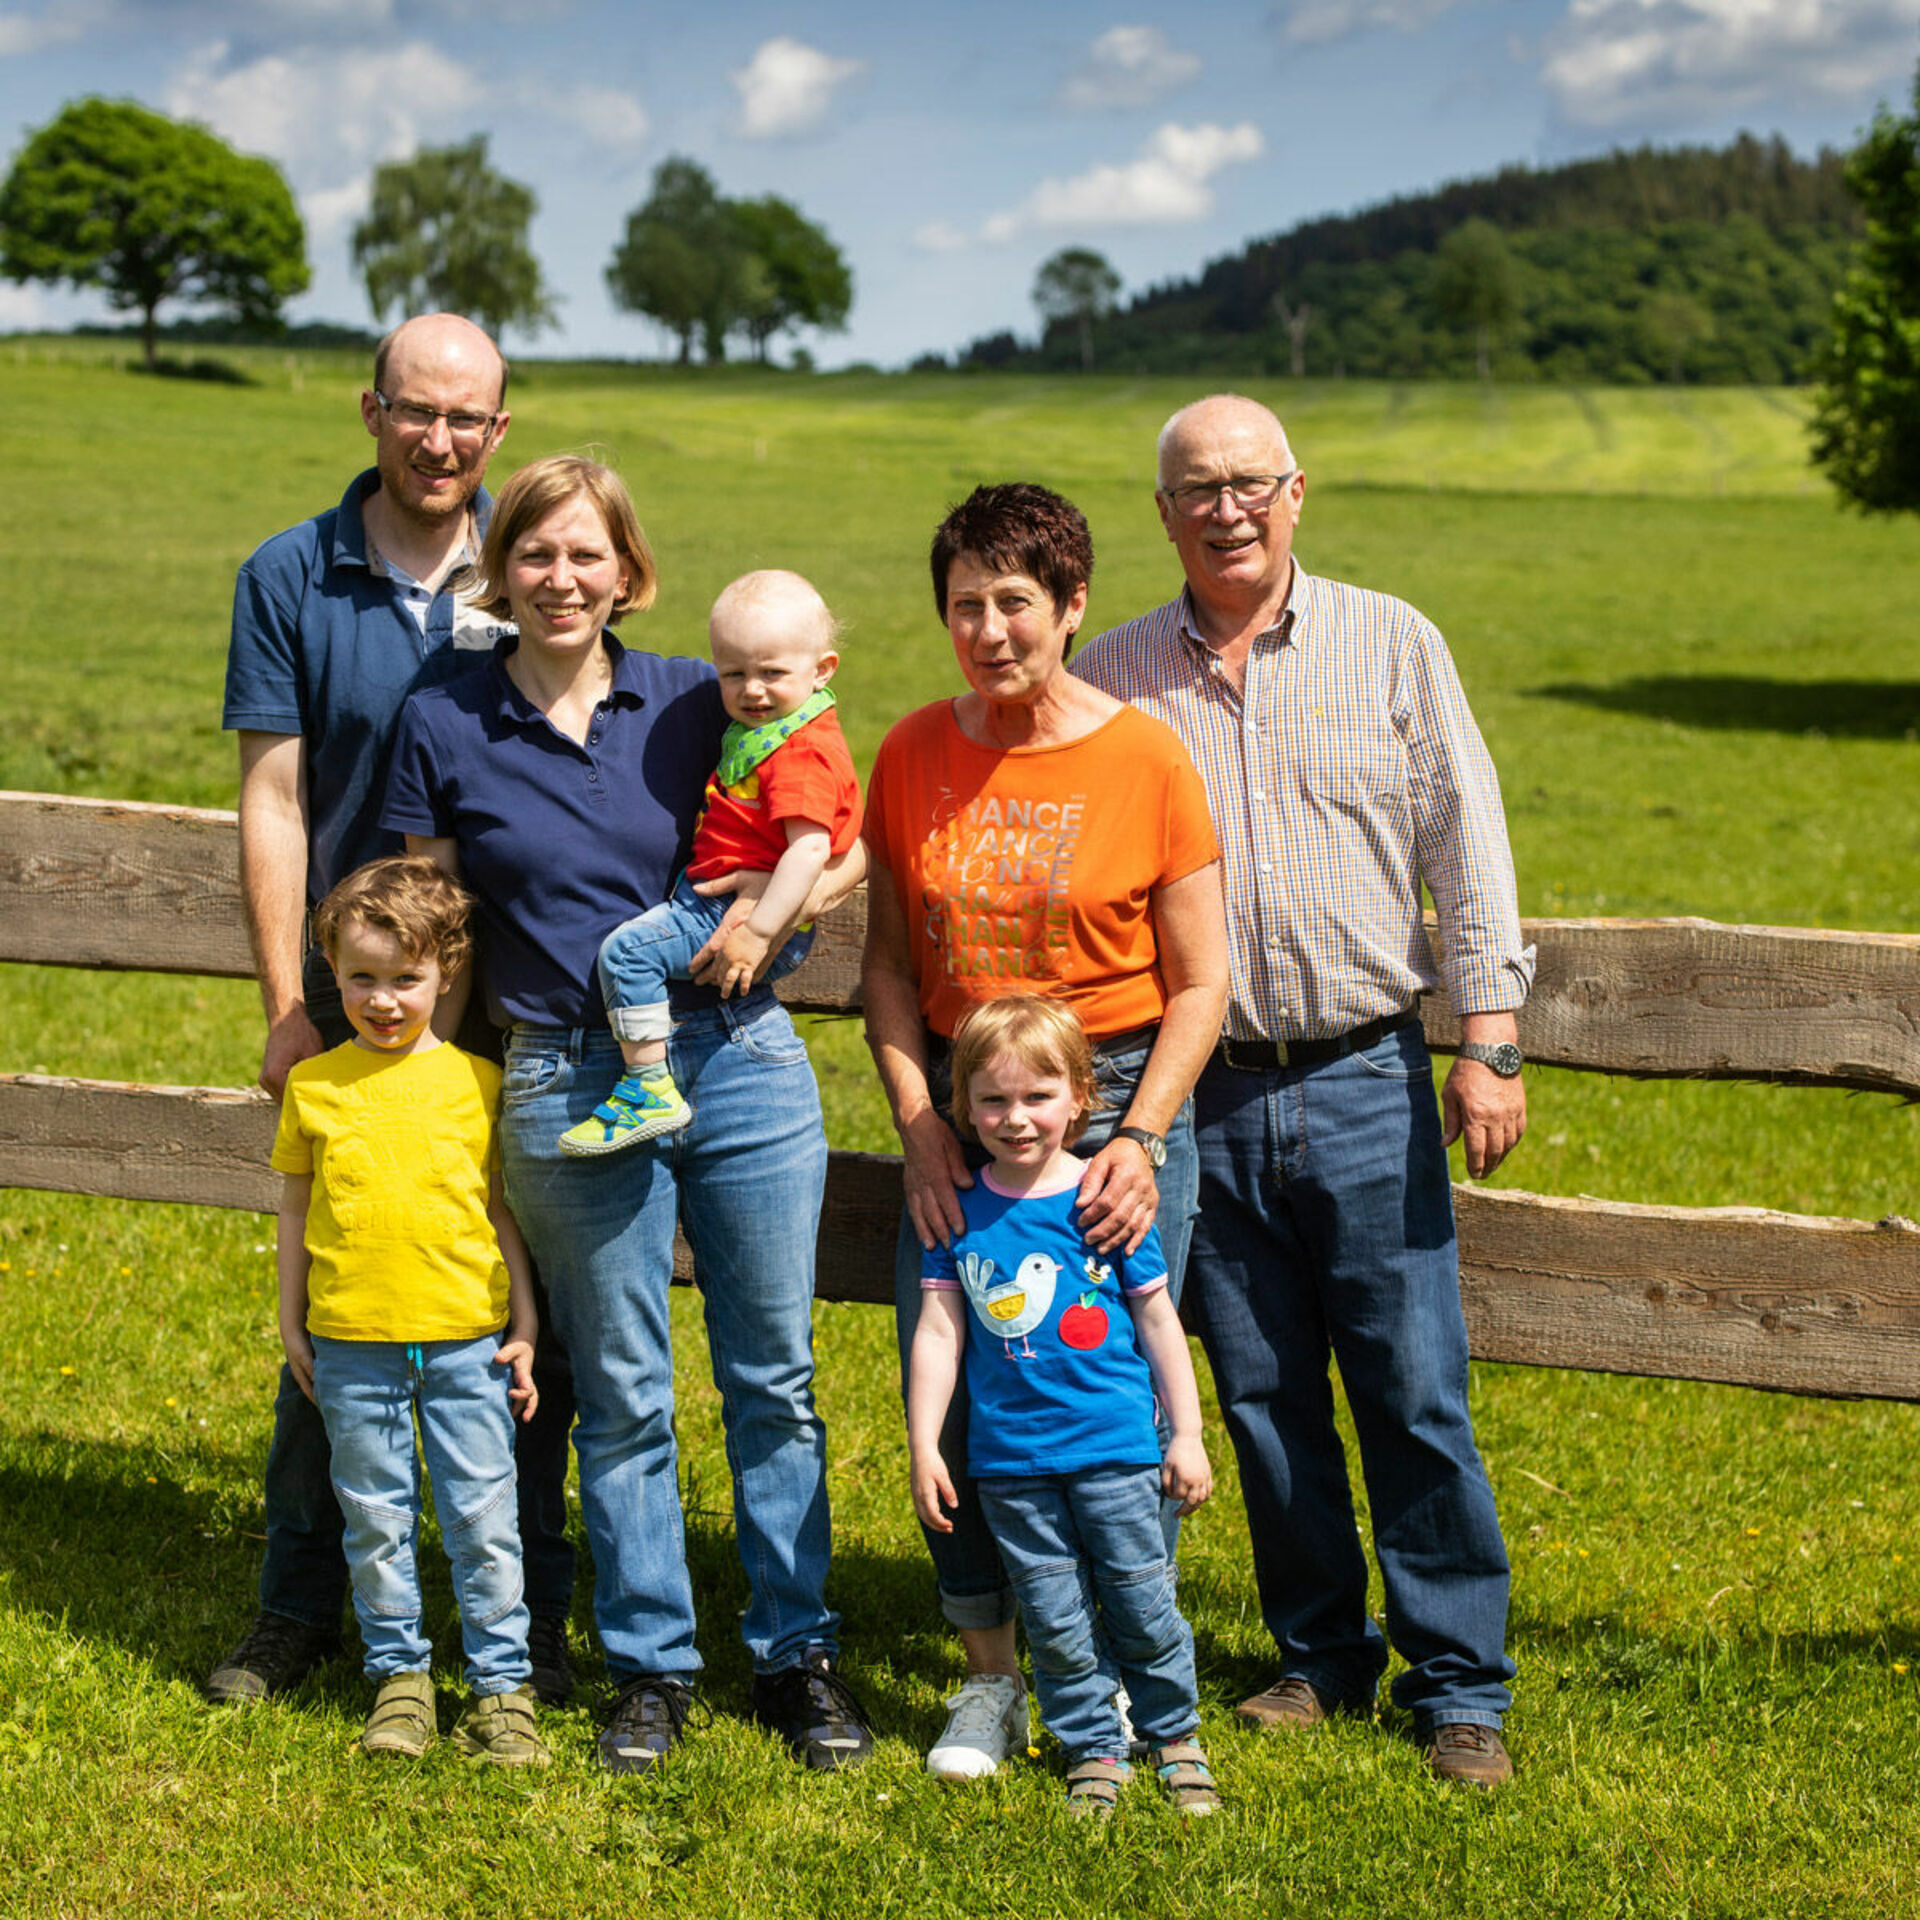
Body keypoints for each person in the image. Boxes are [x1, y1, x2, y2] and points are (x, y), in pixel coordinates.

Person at [382, 454, 873, 1775]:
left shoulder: (695, 697)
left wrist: (769, 917)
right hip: (564, 1072)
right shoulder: (444, 718)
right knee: (621, 1390)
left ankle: (798, 1655)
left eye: (586, 554)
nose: (561, 578)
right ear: (502, 569)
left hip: (738, 1059)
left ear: (627, 571)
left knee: (773, 1377)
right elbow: (437, 925)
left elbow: (839, 831)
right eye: (535, 553)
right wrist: (428, 1082)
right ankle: (651, 1667)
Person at [1074, 393, 1534, 1789]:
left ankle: (1458, 1685)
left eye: (1249, 483)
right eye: (1197, 489)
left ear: (1295, 492)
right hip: (1198, 1092)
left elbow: (1466, 836)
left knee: (1413, 1388)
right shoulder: (1113, 674)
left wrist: (1489, 1036)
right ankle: (1321, 1654)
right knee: (1263, 1391)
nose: (1226, 510)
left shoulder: (1390, 641)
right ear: (1163, 513)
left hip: (1365, 1074)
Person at [215, 313, 575, 1707]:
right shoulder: (291, 575)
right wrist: (289, 1003)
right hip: (360, 997)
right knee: (348, 1277)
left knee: (514, 1296)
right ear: (371, 411)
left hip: (515, 1004)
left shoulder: (534, 561)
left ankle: (524, 1616)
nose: (439, 440)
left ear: (500, 428)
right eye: (416, 411)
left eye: (466, 417)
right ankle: (298, 1604)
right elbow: (275, 797)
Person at [862, 481, 1228, 1781]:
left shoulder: (1146, 759)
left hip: (1113, 1096)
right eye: (964, 605)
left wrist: (1141, 1137)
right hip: (965, 1102)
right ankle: (992, 1680)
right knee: (965, 1386)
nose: (989, 631)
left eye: (1015, 602)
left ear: (1073, 606)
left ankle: (1121, 1677)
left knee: (1114, 1393)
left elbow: (1203, 982)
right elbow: (889, 967)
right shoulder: (912, 752)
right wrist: (921, 1122)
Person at [908, 996, 1220, 1818]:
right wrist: (926, 1445)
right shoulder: (960, 1210)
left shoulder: (1107, 1200)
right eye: (992, 1100)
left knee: (1142, 1602)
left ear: (1080, 1096)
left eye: (1037, 1097)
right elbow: (938, 1332)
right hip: (1012, 1465)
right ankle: (1092, 1748)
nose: (1015, 1119)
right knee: (1053, 1619)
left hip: (1118, 1452)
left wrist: (1186, 1434)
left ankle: (1174, 1735)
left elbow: (1160, 1321)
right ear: (962, 1105)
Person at [274, 856, 548, 1766]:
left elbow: (500, 1211)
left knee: (483, 1519)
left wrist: (524, 1325)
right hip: (352, 1344)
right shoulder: (315, 1086)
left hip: (468, 1343)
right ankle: (399, 1681)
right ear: (331, 970)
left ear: (446, 970)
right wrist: (292, 1323)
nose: (383, 1000)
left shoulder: (478, 1083)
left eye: (405, 978)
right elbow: (295, 1212)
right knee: (375, 1519)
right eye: (361, 978)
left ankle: (502, 1689)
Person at [559, 568, 861, 1155]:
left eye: (772, 673)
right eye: (734, 674)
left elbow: (811, 849)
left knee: (627, 955)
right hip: (730, 905)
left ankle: (648, 1085)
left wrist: (759, 932)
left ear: (823, 670)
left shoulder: (800, 752)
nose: (753, 691)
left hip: (742, 918)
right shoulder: (771, 733)